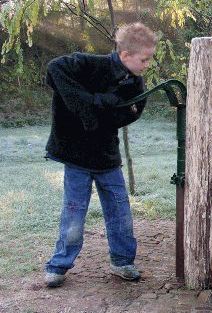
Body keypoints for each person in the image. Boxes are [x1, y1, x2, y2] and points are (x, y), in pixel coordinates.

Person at [43, 22, 157, 287]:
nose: (147, 64)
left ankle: (122, 261)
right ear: (125, 54)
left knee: (120, 211)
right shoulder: (88, 64)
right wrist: (91, 102)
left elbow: (131, 112)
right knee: (73, 213)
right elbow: (54, 69)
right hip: (76, 158)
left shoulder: (135, 84)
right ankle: (58, 265)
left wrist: (104, 107)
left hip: (107, 159)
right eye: (144, 59)